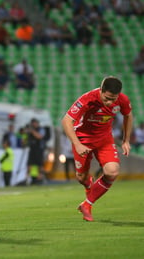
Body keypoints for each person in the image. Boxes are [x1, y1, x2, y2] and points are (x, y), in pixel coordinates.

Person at [61, 76, 133, 222]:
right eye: (106, 98)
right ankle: (88, 184)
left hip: (104, 140)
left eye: (113, 99)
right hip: (83, 139)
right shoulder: (87, 99)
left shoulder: (122, 100)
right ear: (101, 90)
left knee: (112, 171)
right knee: (81, 178)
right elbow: (66, 120)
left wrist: (126, 140)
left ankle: (87, 204)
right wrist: (77, 144)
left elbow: (128, 116)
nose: (109, 103)